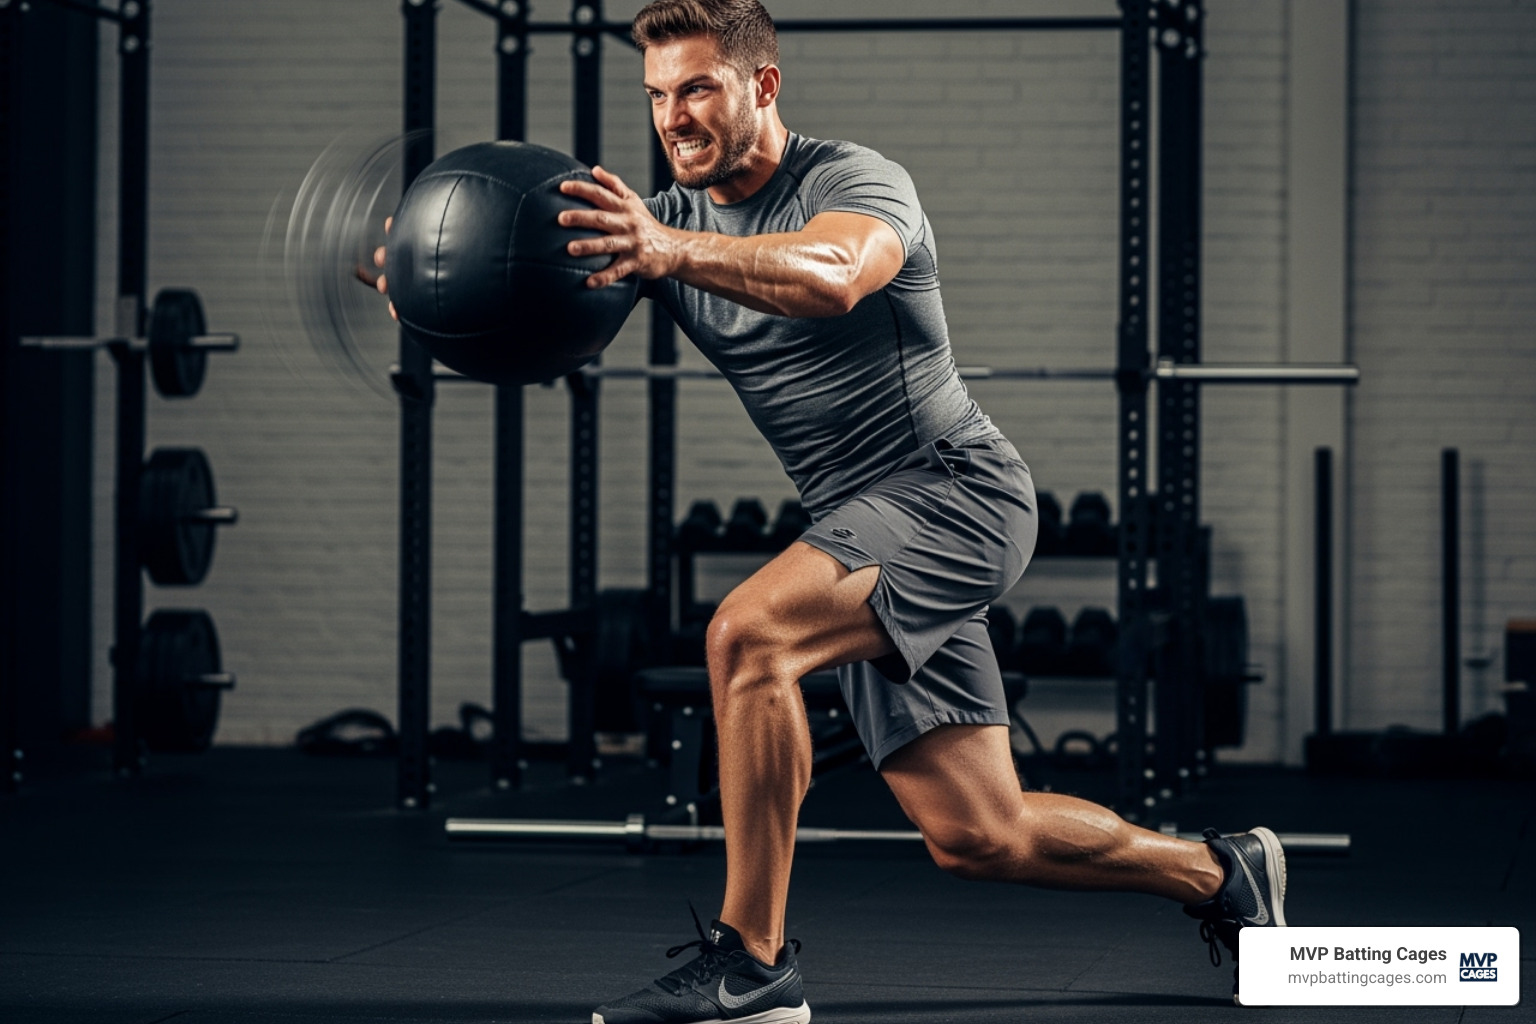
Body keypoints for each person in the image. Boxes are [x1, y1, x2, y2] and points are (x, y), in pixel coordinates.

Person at [376, 3, 1286, 1021]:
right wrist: (438, 283)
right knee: (978, 832)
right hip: (863, 525)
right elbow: (544, 299)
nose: (674, 118)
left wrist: (668, 251)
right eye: (658, 96)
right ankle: (1222, 872)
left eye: (698, 89)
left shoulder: (852, 182)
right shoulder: (671, 222)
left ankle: (753, 969)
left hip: (955, 493)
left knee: (749, 636)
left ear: (762, 86)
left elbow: (835, 275)